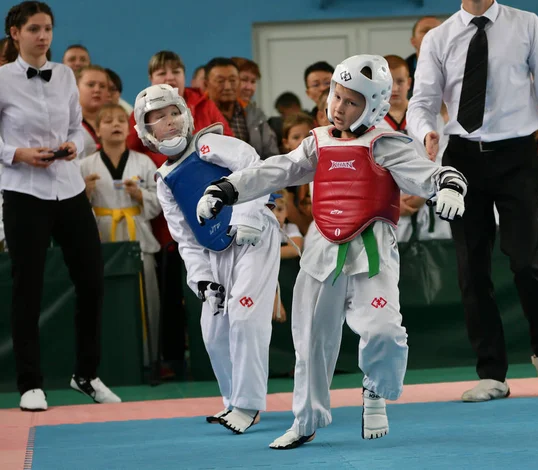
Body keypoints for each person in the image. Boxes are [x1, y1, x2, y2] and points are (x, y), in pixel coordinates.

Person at [197, 54, 468, 449]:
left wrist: (449, 185)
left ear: (373, 105)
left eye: (351, 101)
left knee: (384, 331)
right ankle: (305, 420)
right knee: (309, 343)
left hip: (371, 250)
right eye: (336, 96)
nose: (339, 107)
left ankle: (375, 389)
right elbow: (278, 169)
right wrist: (226, 189)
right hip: (322, 249)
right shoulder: (317, 142)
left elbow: (424, 171)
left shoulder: (385, 144)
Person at [407, 0, 538, 402]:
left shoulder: (527, 24)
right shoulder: (438, 37)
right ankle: (492, 372)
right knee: (471, 266)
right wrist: (425, 132)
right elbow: (421, 101)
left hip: (517, 156)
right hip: (460, 157)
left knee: (524, 259)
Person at [134, 84, 281, 434]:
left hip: (254, 235)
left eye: (173, 113)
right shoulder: (164, 179)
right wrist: (201, 278)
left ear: (185, 115)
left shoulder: (208, 144)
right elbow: (183, 235)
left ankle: (248, 406)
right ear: (145, 131)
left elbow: (250, 163)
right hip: (215, 252)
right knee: (213, 329)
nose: (168, 122)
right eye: (158, 118)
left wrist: (245, 217)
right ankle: (232, 400)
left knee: (245, 317)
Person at [0, 1, 120, 411]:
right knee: (26, 289)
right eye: (33, 28)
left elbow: (77, 128)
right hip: (22, 192)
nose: (43, 36)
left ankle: (86, 374)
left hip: (68, 190)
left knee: (92, 282)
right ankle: (30, 384)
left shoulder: (67, 74)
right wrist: (18, 153)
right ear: (15, 33)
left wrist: (74, 145)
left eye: (48, 28)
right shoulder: (2, 80)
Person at [80, 103, 162, 365]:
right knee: (101, 299)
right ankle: (103, 361)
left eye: (121, 121)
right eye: (108, 121)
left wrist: (141, 196)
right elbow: (73, 210)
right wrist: (86, 195)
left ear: (129, 129)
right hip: (101, 236)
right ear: (97, 131)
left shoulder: (144, 162)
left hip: (137, 234)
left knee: (146, 298)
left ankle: (147, 360)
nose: (116, 124)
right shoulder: (85, 165)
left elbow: (162, 201)